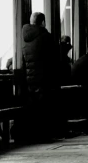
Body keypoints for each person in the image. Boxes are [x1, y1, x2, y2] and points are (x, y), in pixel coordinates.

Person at [21, 12, 61, 140]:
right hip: (44, 78)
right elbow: (54, 58)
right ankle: (45, 134)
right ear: (43, 22)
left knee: (34, 107)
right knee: (46, 107)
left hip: (29, 78)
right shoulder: (45, 36)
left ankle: (34, 134)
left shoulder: (24, 37)